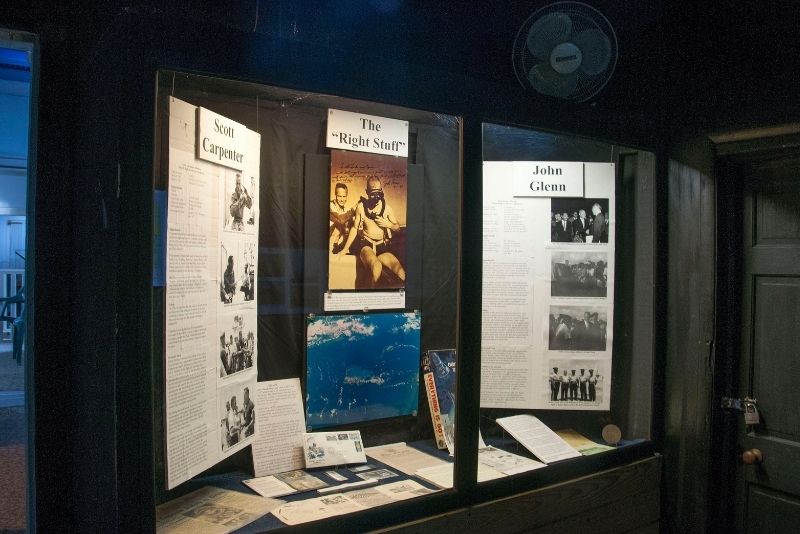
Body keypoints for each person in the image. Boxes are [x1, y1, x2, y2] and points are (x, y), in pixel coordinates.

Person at [338, 176, 405, 287]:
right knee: (376, 265)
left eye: (378, 192)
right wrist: (345, 249)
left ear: (381, 191)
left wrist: (388, 224)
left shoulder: (386, 208)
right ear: (367, 192)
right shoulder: (361, 207)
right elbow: (354, 228)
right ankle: (372, 293)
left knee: (400, 271)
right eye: (372, 193)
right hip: (366, 245)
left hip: (382, 247)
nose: (375, 196)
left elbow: (397, 228)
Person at [329, 183, 355, 254]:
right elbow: (339, 220)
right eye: (339, 196)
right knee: (338, 226)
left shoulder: (345, 210)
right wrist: (353, 211)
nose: (342, 199)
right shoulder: (330, 205)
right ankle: (330, 251)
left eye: (344, 196)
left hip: (336, 243)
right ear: (335, 195)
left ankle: (342, 249)